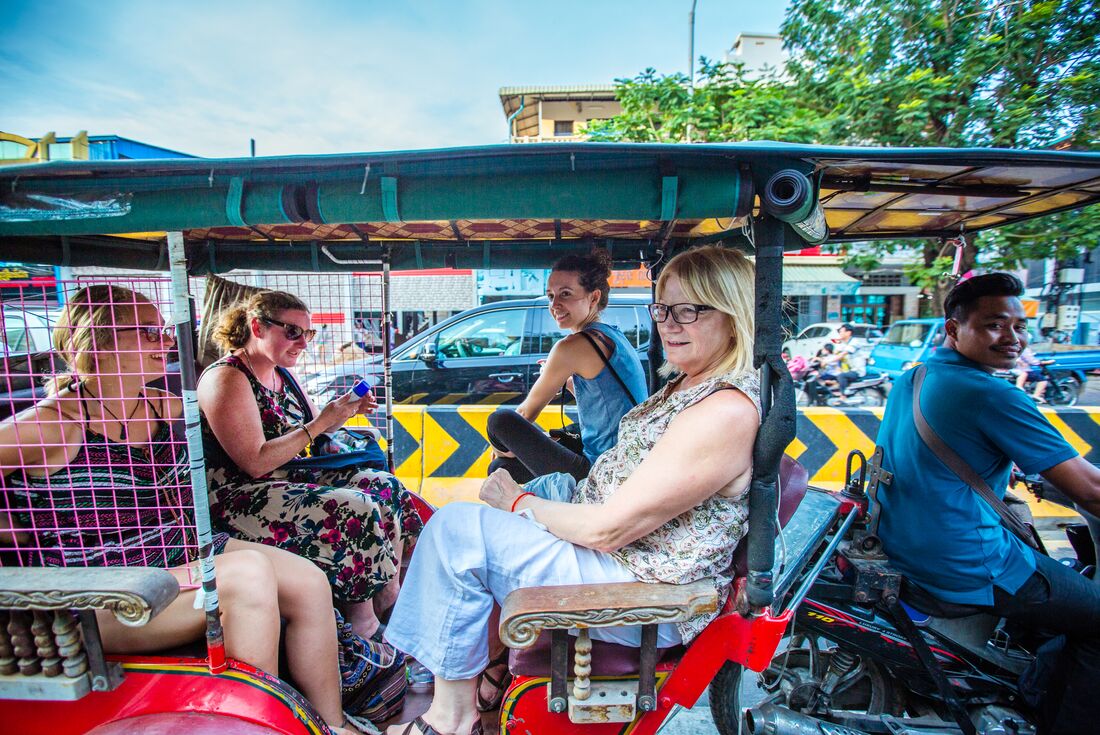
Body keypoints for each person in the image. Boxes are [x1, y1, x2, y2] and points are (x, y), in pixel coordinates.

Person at [384, 244, 760, 735]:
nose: (670, 323)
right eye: (664, 309)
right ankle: (484, 669)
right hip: (625, 559)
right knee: (494, 516)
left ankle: (449, 719)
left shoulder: (724, 409)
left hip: (642, 584)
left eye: (690, 310)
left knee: (459, 529)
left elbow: (608, 529)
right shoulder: (688, 387)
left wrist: (519, 501)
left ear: (733, 315)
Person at [0, 285, 364, 735]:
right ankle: (252, 726)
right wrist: (14, 531)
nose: (167, 342)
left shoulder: (165, 406)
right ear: (100, 341)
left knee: (307, 580)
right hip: (105, 590)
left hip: (173, 556)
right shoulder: (52, 423)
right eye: (149, 333)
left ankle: (328, 725)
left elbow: (248, 439)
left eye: (164, 331)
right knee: (247, 577)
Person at [874, 273, 1100, 735]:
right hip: (969, 564)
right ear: (954, 330)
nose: (1012, 338)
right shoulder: (991, 393)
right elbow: (1090, 490)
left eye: (1020, 327)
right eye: (995, 324)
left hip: (905, 548)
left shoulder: (914, 376)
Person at [197, 290, 423, 642]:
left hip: (291, 478)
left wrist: (341, 414)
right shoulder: (226, 379)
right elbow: (255, 462)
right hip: (239, 496)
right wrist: (319, 424)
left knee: (384, 485)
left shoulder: (281, 375)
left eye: (308, 333)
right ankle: (362, 624)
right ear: (257, 327)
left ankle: (388, 598)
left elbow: (306, 434)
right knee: (355, 507)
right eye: (292, 332)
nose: (302, 342)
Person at [486, 250, 648, 483]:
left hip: (603, 468)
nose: (555, 305)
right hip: (628, 457)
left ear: (593, 298)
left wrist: (504, 446)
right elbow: (608, 398)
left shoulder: (572, 346)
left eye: (566, 294)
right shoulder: (612, 335)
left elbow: (524, 414)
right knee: (501, 469)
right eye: (550, 295)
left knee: (499, 422)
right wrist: (569, 383)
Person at [832, 323, 865, 394]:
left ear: (848, 333)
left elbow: (842, 354)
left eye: (841, 332)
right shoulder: (844, 342)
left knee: (841, 376)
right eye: (839, 332)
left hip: (857, 370)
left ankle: (842, 397)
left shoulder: (855, 342)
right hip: (848, 369)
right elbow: (835, 352)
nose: (840, 333)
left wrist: (827, 361)